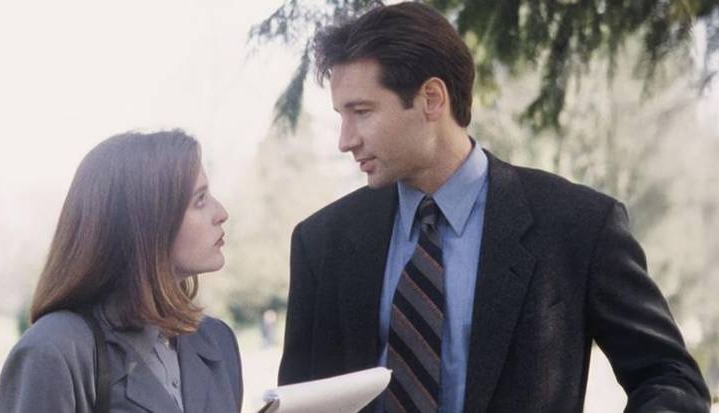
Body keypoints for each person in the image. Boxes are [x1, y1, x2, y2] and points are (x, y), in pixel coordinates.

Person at [277, 3, 711, 412]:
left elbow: (670, 379)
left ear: (432, 98)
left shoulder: (579, 226)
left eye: (362, 112)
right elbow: (298, 401)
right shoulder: (321, 243)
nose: (345, 139)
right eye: (341, 115)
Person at [0, 130, 242, 413]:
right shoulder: (53, 352)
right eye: (199, 200)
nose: (221, 212)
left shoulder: (217, 341)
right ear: (148, 221)